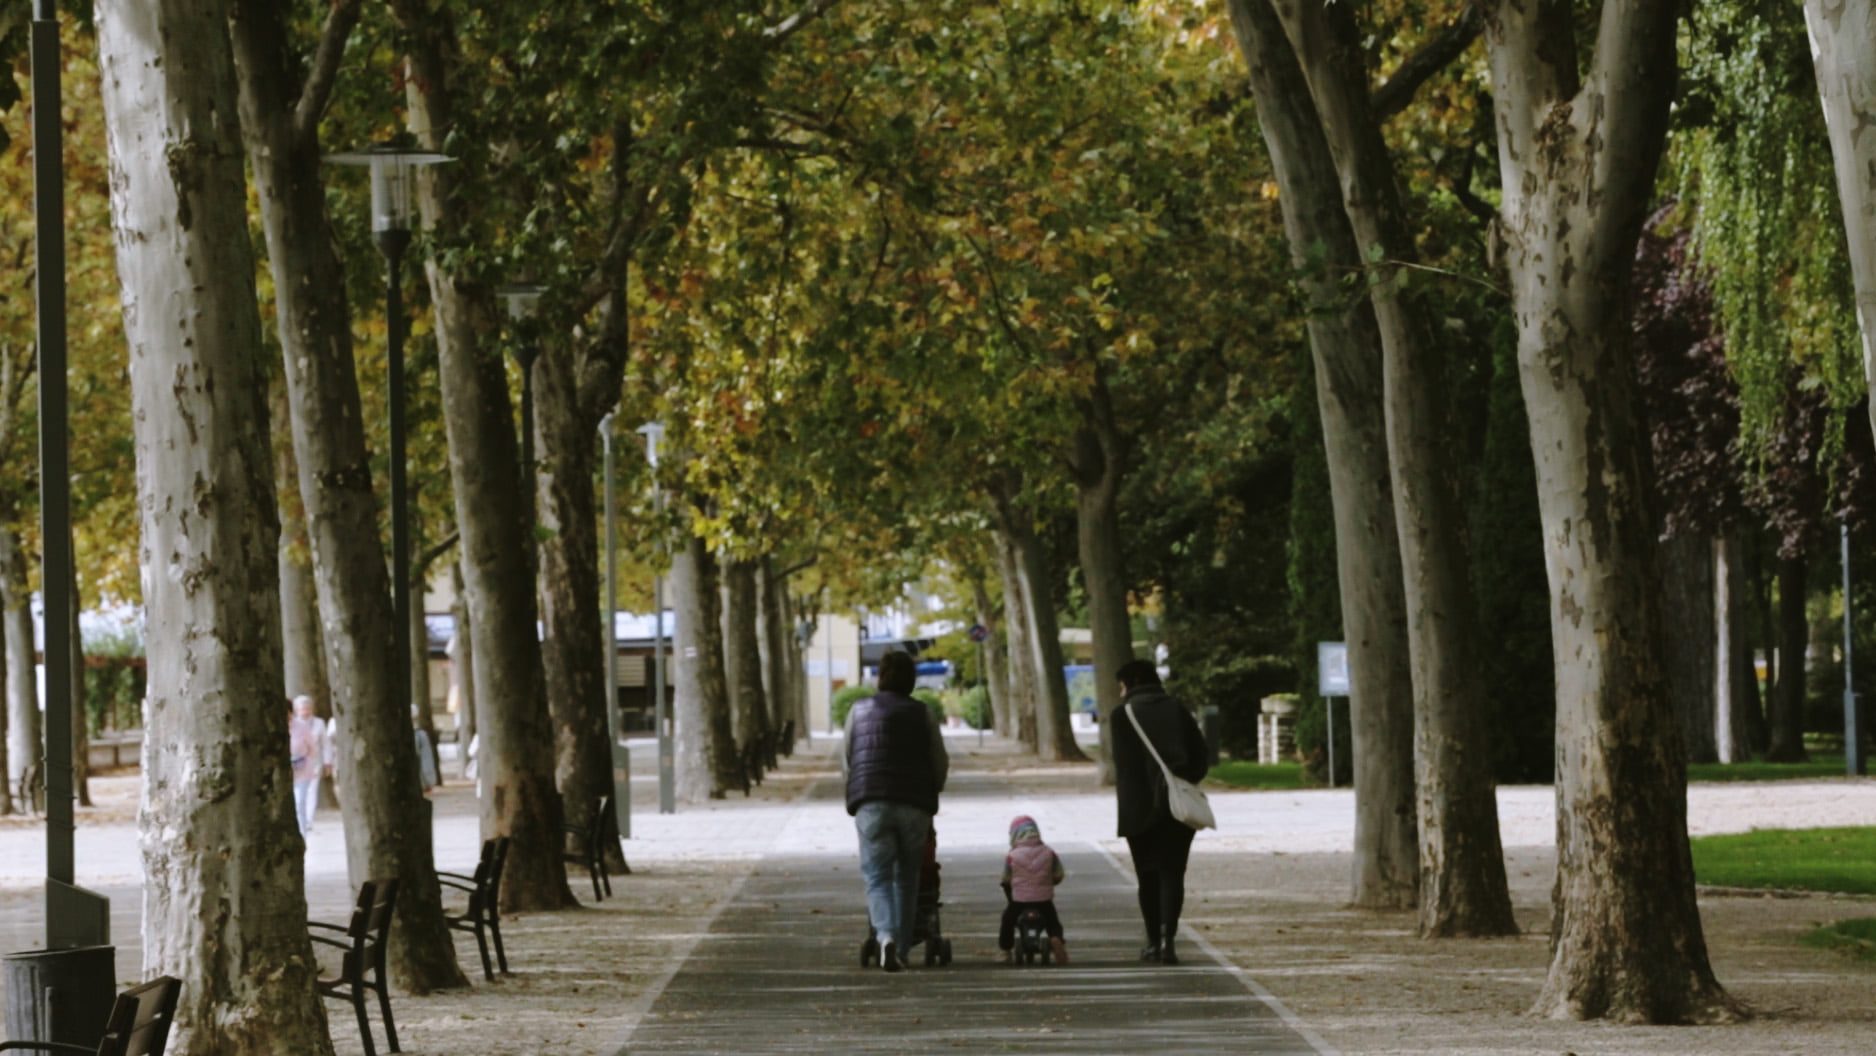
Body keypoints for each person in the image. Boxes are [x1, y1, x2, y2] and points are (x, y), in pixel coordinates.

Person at [843, 650, 948, 973]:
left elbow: (848, 759)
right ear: (911, 680)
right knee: (907, 877)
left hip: (871, 801)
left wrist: (856, 791)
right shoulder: (923, 713)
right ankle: (901, 949)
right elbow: (938, 759)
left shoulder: (857, 712)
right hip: (914, 803)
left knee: (876, 876)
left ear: (881, 677)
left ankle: (885, 937)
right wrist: (935, 789)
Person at [1112, 659, 1207, 965]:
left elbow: (1125, 768)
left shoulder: (1121, 715)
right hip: (1177, 806)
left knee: (1147, 877)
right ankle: (1169, 940)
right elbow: (1202, 758)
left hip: (1138, 809)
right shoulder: (1178, 710)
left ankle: (1153, 941)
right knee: (1172, 873)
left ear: (1131, 682)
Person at [998, 814, 1068, 965]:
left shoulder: (1012, 856)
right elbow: (1059, 874)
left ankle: (1005, 949)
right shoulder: (1049, 853)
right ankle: (1056, 938)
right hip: (1044, 899)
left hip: (1020, 900)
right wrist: (1050, 882)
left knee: (1007, 920)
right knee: (1052, 921)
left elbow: (1005, 878)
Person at [287, 695, 327, 835]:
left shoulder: (304, 726)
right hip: (285, 771)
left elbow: (315, 748)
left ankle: (303, 831)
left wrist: (310, 763)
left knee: (300, 801)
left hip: (303, 769)